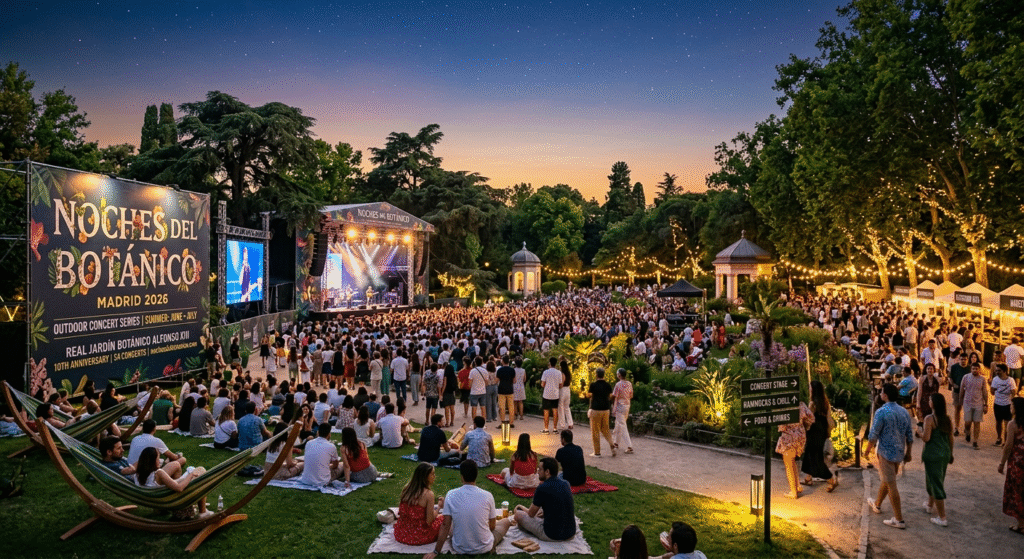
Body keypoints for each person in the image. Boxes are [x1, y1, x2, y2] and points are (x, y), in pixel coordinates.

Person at [422, 460, 514, 559]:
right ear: (476, 475)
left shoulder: (451, 494)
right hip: (484, 547)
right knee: (506, 521)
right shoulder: (488, 495)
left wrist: (436, 551)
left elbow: (445, 525)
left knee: (454, 522)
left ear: (462, 476)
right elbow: (492, 526)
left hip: (459, 547)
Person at [864, 383, 915, 529]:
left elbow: (873, 435)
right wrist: (909, 452)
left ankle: (899, 519)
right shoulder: (904, 411)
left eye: (881, 392)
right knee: (888, 480)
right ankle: (877, 504)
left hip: (885, 452)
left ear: (885, 395)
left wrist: (867, 450)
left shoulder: (882, 411)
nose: (880, 394)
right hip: (899, 452)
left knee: (891, 484)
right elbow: (909, 434)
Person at [133, 446, 211, 518]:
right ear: (153, 461)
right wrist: (190, 475)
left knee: (176, 465)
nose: (160, 461)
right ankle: (203, 512)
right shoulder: (158, 473)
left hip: (156, 498)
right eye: (158, 458)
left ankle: (180, 510)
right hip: (169, 497)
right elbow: (179, 488)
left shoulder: (137, 474)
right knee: (201, 471)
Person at [512, 457, 577, 542]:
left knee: (518, 514)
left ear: (547, 472)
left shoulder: (542, 488)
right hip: (570, 533)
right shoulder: (566, 483)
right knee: (540, 511)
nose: (537, 472)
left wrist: (520, 507)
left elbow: (531, 514)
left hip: (551, 535)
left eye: (540, 469)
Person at [916, 392, 954, 527]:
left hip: (933, 454)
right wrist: (951, 453)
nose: (929, 401)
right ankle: (929, 504)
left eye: (930, 400)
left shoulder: (929, 419)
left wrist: (919, 432)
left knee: (935, 483)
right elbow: (951, 438)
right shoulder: (947, 419)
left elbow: (926, 438)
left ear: (934, 403)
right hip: (944, 453)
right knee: (936, 479)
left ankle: (942, 517)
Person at [395, 462, 445, 546]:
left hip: (401, 534)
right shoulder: (428, 494)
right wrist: (439, 507)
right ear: (425, 477)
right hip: (419, 536)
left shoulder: (407, 489)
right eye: (432, 474)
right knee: (445, 518)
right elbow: (429, 521)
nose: (434, 476)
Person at [801, 380, 838, 492]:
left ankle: (831, 478)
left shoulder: (813, 404)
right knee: (810, 454)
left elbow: (808, 418)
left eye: (810, 388)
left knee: (815, 457)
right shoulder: (825, 403)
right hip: (822, 431)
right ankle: (808, 478)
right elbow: (828, 419)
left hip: (813, 431)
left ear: (813, 390)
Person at [99, 435, 184, 479]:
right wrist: (146, 459)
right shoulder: (111, 466)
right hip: (147, 482)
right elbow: (130, 470)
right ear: (109, 452)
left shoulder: (118, 459)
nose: (123, 450)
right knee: (177, 464)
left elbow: (134, 467)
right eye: (119, 448)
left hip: (146, 477)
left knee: (177, 463)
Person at [777, 401, 813, 499]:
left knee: (788, 462)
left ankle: (793, 492)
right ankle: (797, 486)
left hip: (789, 436)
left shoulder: (785, 406)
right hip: (801, 434)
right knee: (793, 460)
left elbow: (782, 426)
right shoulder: (801, 404)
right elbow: (811, 417)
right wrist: (804, 425)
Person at [999, 397, 1024, 535]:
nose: (1010, 407)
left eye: (1012, 405)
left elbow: (1008, 446)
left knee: (1017, 491)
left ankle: (1021, 525)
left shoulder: (1013, 424)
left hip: (1017, 461)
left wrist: (1002, 463)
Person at [301, 423, 347, 487]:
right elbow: (335, 465)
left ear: (318, 432)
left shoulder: (309, 443)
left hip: (306, 480)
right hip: (322, 481)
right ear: (329, 434)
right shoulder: (331, 446)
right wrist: (329, 466)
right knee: (342, 464)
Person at [958, 361, 989, 449]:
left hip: (978, 404)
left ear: (979, 370)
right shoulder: (966, 377)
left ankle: (975, 441)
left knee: (977, 422)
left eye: (976, 369)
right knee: (967, 422)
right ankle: (967, 432)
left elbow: (984, 391)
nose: (974, 370)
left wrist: (986, 404)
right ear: (970, 369)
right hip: (967, 403)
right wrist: (960, 400)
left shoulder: (982, 379)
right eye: (973, 369)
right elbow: (961, 389)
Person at [587, 367, 615, 457]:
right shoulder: (607, 385)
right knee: (606, 429)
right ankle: (612, 444)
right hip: (606, 409)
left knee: (595, 431)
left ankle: (597, 452)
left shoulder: (593, 385)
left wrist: (585, 394)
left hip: (596, 409)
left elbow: (589, 395)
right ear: (603, 375)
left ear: (596, 375)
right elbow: (611, 396)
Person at [992, 364, 1019, 446]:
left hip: (1007, 404)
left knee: (1007, 424)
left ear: (1004, 371)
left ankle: (1006, 441)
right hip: (997, 403)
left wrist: (1012, 393)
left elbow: (1014, 392)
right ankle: (999, 438)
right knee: (998, 422)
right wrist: (993, 389)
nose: (997, 372)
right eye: (996, 370)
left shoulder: (1010, 380)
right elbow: (992, 392)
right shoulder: (995, 379)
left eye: (999, 370)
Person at [611, 367, 634, 454]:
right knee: (618, 424)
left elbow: (614, 396)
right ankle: (616, 443)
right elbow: (631, 395)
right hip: (627, 405)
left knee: (622, 425)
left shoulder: (618, 385)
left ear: (619, 375)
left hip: (620, 406)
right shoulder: (629, 384)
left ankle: (629, 446)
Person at [949, 352, 970, 436]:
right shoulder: (954, 367)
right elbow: (950, 378)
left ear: (967, 360)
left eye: (965, 359)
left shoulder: (970, 368)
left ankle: (966, 427)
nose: (963, 361)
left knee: (967, 410)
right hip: (957, 391)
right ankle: (956, 427)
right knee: (957, 409)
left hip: (968, 392)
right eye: (962, 359)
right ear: (959, 359)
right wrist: (953, 385)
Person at [540, 357, 562, 434]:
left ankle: (546, 429)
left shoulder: (546, 372)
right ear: (556, 363)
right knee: (555, 410)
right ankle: (555, 428)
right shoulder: (559, 373)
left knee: (546, 410)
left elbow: (543, 384)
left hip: (546, 394)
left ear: (550, 363)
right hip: (555, 394)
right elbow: (560, 384)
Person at [495, 356, 515, 427]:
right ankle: (511, 422)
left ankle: (502, 422)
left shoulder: (500, 370)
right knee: (511, 407)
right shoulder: (512, 370)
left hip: (501, 390)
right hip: (510, 389)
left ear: (502, 361)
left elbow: (496, 381)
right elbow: (514, 381)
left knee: (502, 407)